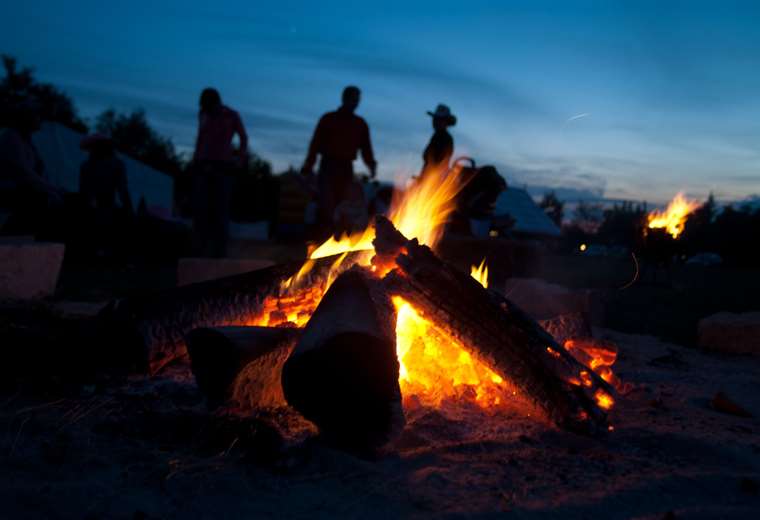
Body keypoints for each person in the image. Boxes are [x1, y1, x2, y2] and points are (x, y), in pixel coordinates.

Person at [301, 86, 377, 239]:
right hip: (328, 167)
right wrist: (308, 166)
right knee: (327, 205)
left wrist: (371, 166)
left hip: (346, 169)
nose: (354, 102)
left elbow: (366, 149)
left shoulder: (359, 124)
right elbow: (315, 144)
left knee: (345, 206)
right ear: (344, 99)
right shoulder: (328, 119)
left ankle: (341, 241)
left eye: (356, 100)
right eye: (352, 99)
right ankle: (323, 240)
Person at [191, 88, 248, 257]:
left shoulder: (230, 115)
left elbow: (243, 137)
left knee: (220, 210)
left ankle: (218, 252)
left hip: (222, 167)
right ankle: (199, 250)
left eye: (207, 104)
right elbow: (200, 137)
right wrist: (196, 160)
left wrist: (240, 159)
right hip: (203, 165)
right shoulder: (203, 114)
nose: (205, 107)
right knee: (201, 209)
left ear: (214, 102)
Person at [0, 101, 63, 234]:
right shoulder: (11, 137)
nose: (40, 120)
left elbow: (38, 169)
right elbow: (23, 172)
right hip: (12, 192)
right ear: (26, 118)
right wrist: (49, 189)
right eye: (37, 116)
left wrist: (52, 188)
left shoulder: (27, 141)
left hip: (23, 190)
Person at [78, 134, 133, 257]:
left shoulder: (86, 166)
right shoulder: (116, 164)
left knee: (100, 230)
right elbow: (122, 188)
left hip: (98, 204)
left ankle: (98, 253)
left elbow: (83, 188)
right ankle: (101, 253)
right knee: (104, 230)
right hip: (103, 203)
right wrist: (128, 207)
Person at [421, 103, 456, 178]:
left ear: (446, 122)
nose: (435, 122)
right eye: (435, 119)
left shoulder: (445, 138)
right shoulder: (437, 136)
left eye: (439, 120)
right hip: (428, 178)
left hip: (433, 179)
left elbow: (440, 160)